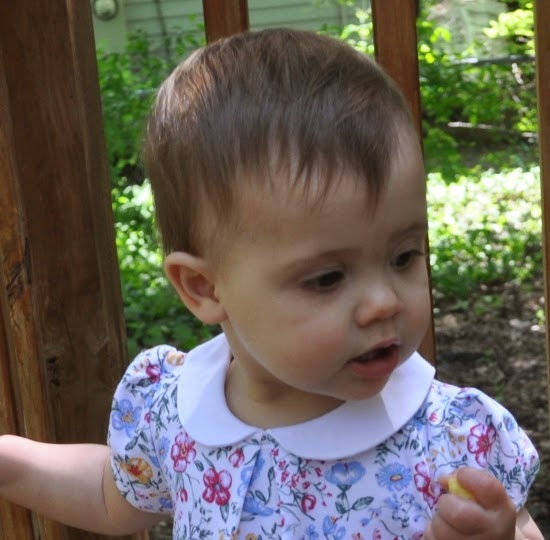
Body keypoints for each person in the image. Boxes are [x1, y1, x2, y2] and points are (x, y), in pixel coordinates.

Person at [0, 28, 543, 540]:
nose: (384, 302)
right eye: (328, 278)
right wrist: (12, 464)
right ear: (204, 288)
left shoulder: (453, 438)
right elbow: (110, 495)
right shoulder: (176, 411)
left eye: (403, 256)